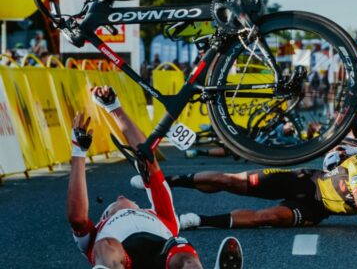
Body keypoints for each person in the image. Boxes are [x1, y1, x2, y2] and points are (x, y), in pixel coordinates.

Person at [67, 86, 243, 269]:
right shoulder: (98, 231)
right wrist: (78, 151)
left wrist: (114, 107)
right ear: (106, 215)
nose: (120, 197)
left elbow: (148, 159)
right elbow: (77, 218)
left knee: (184, 254)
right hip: (122, 260)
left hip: (163, 257)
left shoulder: (160, 215)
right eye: (113, 206)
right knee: (105, 246)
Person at [132, 139, 357, 233]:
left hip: (315, 209)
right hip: (305, 180)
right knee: (233, 182)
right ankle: (166, 181)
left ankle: (196, 220)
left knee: (267, 219)